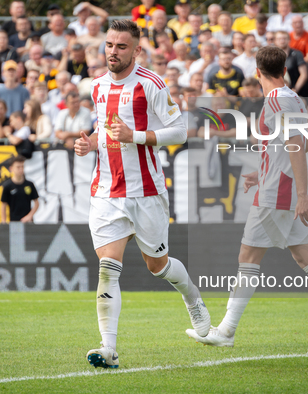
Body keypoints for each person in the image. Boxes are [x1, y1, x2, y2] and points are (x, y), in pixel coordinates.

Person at [186, 45, 308, 349]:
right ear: (285, 70)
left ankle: (226, 331)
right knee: (306, 256)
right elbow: (298, 145)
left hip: (279, 191)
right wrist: (263, 173)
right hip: (281, 185)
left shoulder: (277, 99)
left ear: (257, 72)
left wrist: (302, 193)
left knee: (248, 257)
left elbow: (295, 142)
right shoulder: (292, 97)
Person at [74, 19, 210, 369]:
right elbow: (104, 126)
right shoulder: (97, 86)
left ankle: (193, 299)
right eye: (109, 45)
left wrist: (134, 136)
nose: (113, 52)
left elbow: (179, 131)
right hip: (106, 191)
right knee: (108, 269)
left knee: (158, 266)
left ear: (136, 50)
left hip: (147, 191)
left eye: (121, 46)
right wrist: (88, 142)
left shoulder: (151, 84)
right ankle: (108, 349)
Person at [0, 155, 39, 223]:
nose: (21, 169)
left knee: (29, 233)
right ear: (11, 169)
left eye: (22, 167)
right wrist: (4, 221)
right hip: (14, 221)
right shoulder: (8, 186)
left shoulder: (29, 184)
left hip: (28, 222)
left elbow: (37, 203)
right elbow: (3, 205)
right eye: (18, 167)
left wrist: (29, 216)